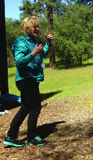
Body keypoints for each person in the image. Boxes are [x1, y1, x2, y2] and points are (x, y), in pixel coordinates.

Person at [3, 16, 53, 147]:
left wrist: (48, 43)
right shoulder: (21, 42)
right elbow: (19, 62)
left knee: (25, 108)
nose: (37, 28)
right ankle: (31, 137)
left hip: (32, 79)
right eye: (34, 26)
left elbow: (43, 54)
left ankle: (11, 136)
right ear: (27, 28)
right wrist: (33, 54)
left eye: (38, 26)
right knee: (35, 107)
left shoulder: (33, 41)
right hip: (25, 80)